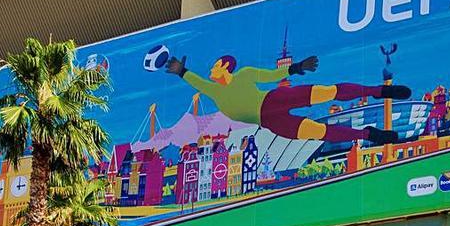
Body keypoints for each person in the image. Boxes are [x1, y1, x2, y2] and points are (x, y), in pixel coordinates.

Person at [166, 53, 408, 145]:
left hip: (275, 100)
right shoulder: (215, 92)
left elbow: (271, 75)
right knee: (318, 131)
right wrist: (182, 72)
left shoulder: (245, 74)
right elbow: (198, 82)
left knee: (327, 92)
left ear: (225, 66)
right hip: (271, 123)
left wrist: (295, 68)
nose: (211, 70)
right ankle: (368, 134)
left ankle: (379, 91)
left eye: (215, 65)